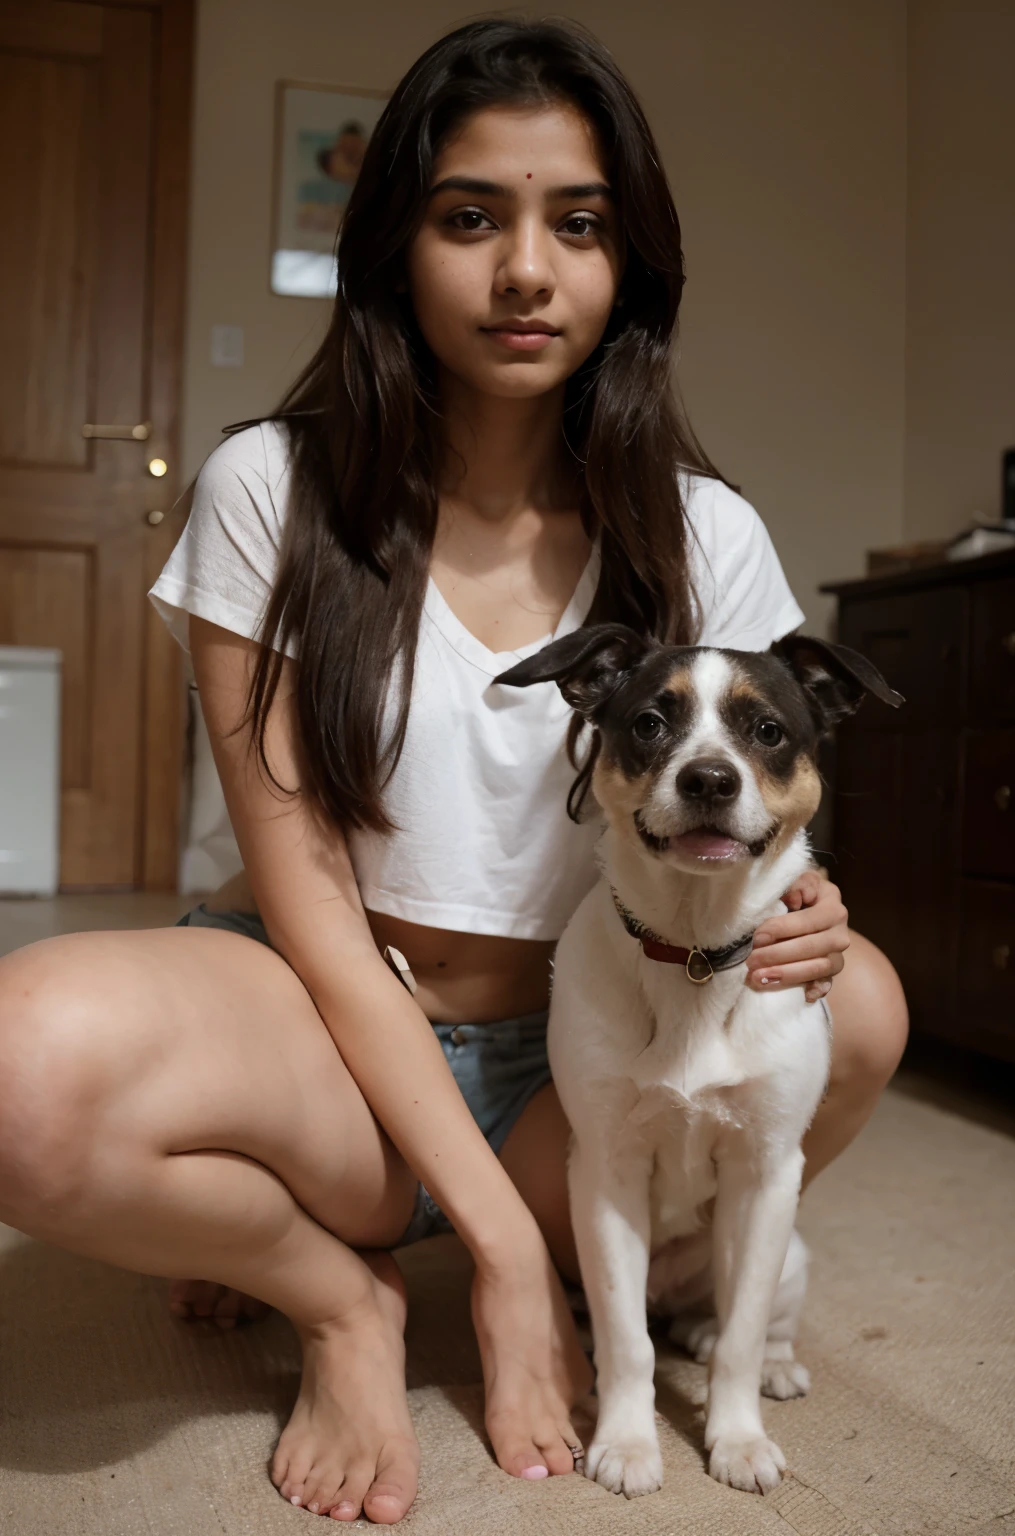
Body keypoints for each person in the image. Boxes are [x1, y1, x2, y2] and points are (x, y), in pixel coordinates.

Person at [0, 18, 907, 1526]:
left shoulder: (703, 529)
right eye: (471, 216)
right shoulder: (267, 491)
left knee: (858, 1004)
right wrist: (493, 1264)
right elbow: (304, 898)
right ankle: (342, 1299)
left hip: (585, 1049)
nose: (527, 273)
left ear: (633, 268)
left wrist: (805, 904)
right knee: (21, 1078)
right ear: (393, 245)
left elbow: (755, 784)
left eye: (581, 224)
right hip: (332, 1036)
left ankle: (546, 1256)